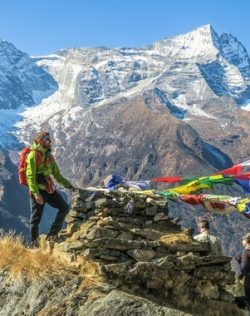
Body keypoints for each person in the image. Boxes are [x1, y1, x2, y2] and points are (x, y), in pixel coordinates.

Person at [26, 131, 75, 246]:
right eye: (47, 139)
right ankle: (35, 245)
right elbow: (30, 176)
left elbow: (57, 175)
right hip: (38, 191)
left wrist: (69, 186)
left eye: (50, 139)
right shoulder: (33, 155)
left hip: (48, 189)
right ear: (40, 140)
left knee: (64, 208)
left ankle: (51, 237)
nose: (50, 141)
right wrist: (36, 194)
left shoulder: (49, 156)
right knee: (35, 219)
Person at [235, 233, 250, 306]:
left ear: (247, 241)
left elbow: (244, 267)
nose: (242, 242)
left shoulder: (246, 251)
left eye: (243, 240)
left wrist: (239, 261)